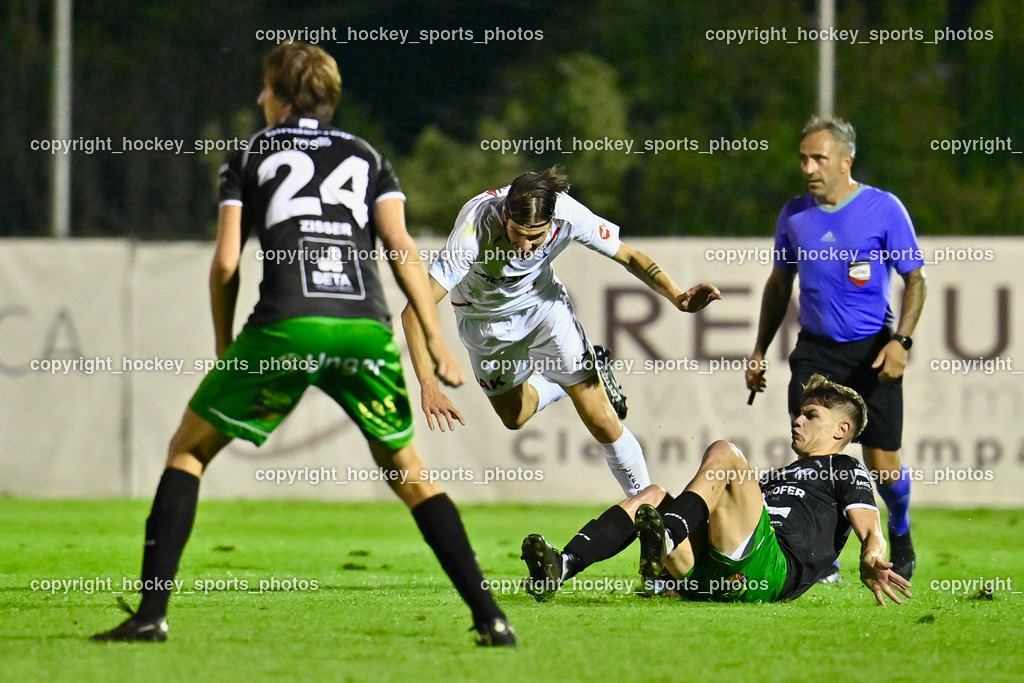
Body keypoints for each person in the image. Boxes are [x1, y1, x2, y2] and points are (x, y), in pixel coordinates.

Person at [91, 42, 515, 646]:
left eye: (266, 88)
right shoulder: (369, 156)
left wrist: (223, 341)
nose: (260, 98)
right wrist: (435, 338)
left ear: (283, 95)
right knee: (410, 471)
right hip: (364, 328)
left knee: (188, 448)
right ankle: (490, 618)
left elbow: (226, 263)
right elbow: (402, 252)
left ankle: (151, 615)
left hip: (287, 324)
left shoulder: (248, 153)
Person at [401, 166, 721, 496]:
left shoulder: (567, 213)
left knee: (602, 421)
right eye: (515, 233)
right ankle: (567, 376)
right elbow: (413, 312)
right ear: (505, 215)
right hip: (485, 324)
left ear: (551, 222)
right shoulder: (472, 233)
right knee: (514, 417)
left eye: (534, 236)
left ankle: (649, 509)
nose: (524, 246)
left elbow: (629, 255)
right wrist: (428, 385)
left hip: (545, 310)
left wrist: (678, 296)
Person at [521, 374, 912, 606]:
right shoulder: (776, 478)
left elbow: (871, 528)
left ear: (841, 430)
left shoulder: (843, 468)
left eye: (811, 415)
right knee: (653, 495)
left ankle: (668, 539)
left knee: (725, 452)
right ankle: (562, 566)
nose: (798, 421)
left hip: (770, 573)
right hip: (719, 572)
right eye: (799, 412)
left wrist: (872, 557)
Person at [745, 117, 926, 579]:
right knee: (813, 454)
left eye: (818, 158)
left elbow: (915, 280)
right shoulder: (794, 215)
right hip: (815, 352)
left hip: (872, 350)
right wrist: (760, 350)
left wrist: (901, 342)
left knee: (883, 466)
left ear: (846, 161)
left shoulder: (884, 209)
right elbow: (780, 282)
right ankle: (818, 556)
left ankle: (899, 526)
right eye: (803, 158)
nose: (808, 167)